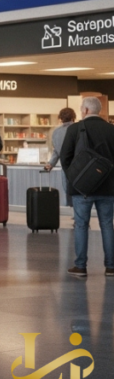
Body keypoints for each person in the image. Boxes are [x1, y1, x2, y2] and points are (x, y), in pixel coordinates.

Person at [60, 97, 114, 277]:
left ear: (85, 110)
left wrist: (74, 178)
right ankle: (111, 267)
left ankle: (81, 266)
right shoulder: (111, 130)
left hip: (82, 188)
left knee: (81, 225)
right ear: (99, 111)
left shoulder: (75, 129)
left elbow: (65, 156)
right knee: (107, 224)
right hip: (107, 187)